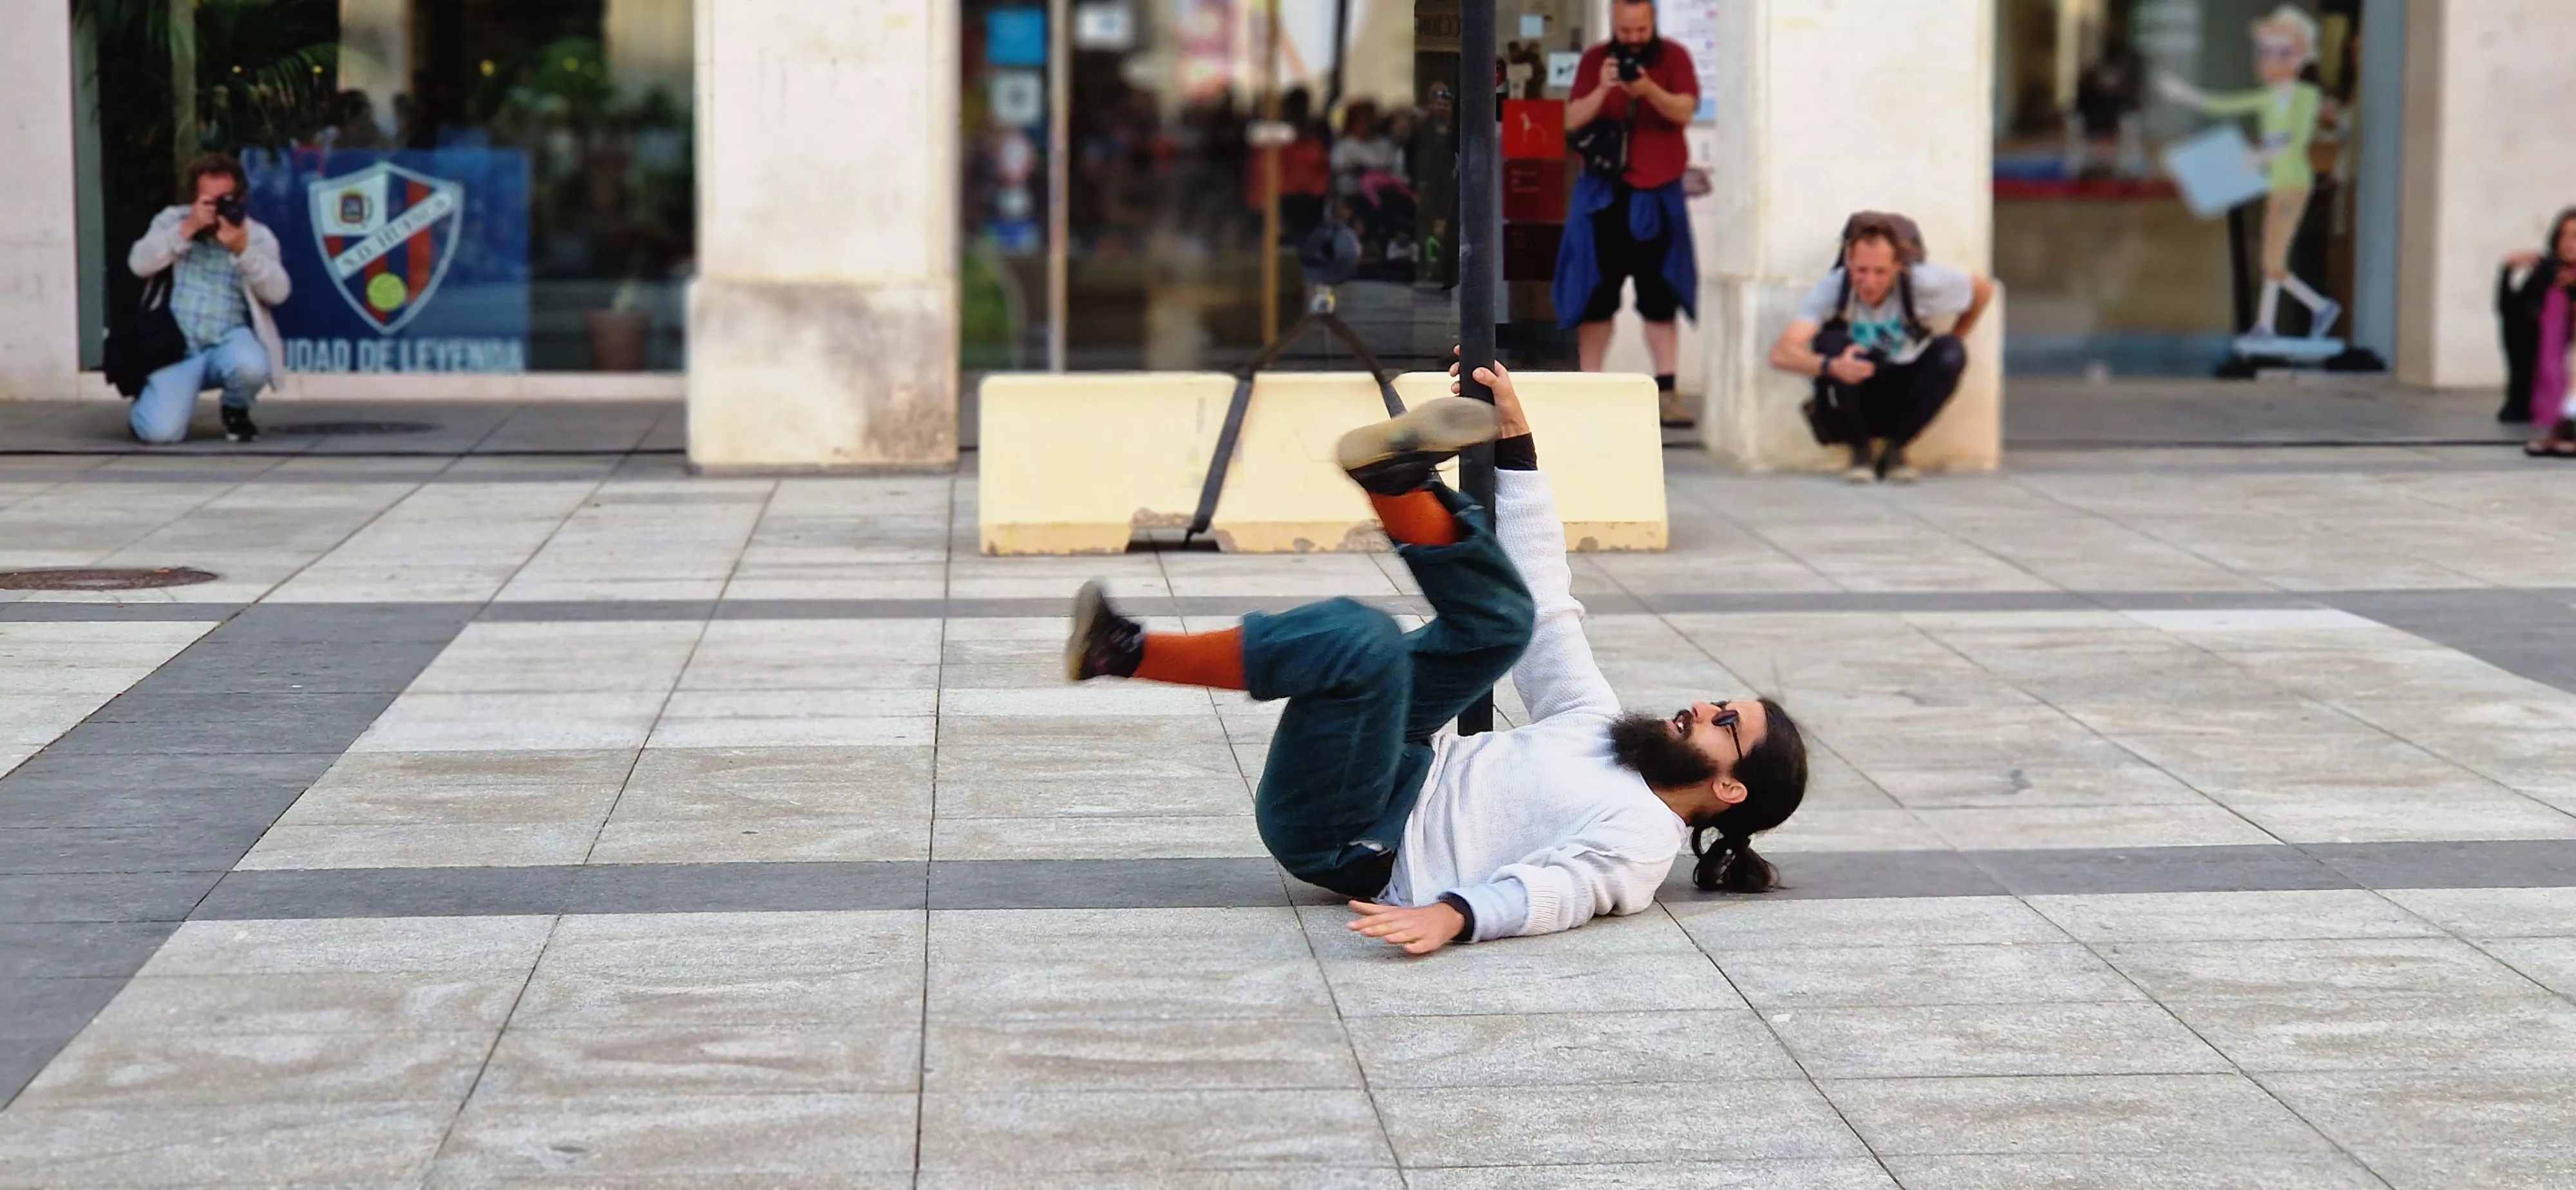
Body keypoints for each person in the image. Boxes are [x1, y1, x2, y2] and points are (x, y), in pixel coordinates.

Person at [1064, 358, 1810, 954]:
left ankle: (1122, 650)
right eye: (1719, 700)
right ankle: (1395, 483)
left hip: (1352, 836)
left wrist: (1455, 915)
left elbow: (1559, 892)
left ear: (1730, 788)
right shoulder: (1600, 726)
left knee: (1362, 641)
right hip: (1402, 754)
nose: (1702, 706)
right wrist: (1516, 444)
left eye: (1725, 722)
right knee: (1506, 621)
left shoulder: (1641, 839)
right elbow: (1548, 605)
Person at [1551, 0, 1701, 427]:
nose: (1633, 39)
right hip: (1604, 194)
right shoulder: (1596, 60)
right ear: (1614, 25)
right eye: (1625, 31)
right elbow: (1571, 120)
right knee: (1596, 297)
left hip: (1658, 192)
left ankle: (1667, 392)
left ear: (1653, 23)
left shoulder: (1674, 57)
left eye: (1640, 30)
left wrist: (1648, 89)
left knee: (1660, 297)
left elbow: (1684, 111)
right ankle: (1589, 388)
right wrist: (1603, 89)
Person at [1768, 212, 1993, 484]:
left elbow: (1982, 290)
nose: (1870, 283)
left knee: (1951, 352)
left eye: (1880, 272)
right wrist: (1831, 366)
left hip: (1906, 383)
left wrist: (1957, 335)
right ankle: (1860, 451)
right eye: (1861, 271)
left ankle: (1896, 449)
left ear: (1898, 266)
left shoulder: (1922, 281)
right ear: (1848, 262)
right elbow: (1781, 353)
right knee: (1830, 343)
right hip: (1857, 386)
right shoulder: (1834, 288)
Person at [2157, 5, 2338, 343]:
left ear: (2303, 57)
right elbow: (2225, 104)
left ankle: (2306, 311)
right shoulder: (2267, 98)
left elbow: (2295, 140)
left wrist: (2260, 156)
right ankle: (2278, 322)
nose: (2271, 60)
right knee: (2271, 259)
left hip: (2293, 184)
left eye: (2283, 52)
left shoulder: (2307, 97)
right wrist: (2184, 95)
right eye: (2266, 52)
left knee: (2272, 261)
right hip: (2277, 184)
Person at [125, 153, 291, 444]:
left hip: (227, 340)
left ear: (240, 198)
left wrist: (243, 251)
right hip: (176, 346)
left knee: (252, 366)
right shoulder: (173, 220)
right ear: (194, 199)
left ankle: (236, 408)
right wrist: (187, 229)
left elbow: (279, 293)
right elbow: (139, 264)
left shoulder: (257, 236)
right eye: (209, 201)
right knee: (160, 433)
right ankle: (149, 402)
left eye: (225, 200)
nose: (217, 210)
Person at [2499, 207, 2576, 448]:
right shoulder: (2545, 273)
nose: (2568, 244)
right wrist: (2507, 271)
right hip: (2543, 375)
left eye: (2575, 237)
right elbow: (2513, 314)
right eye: (2563, 236)